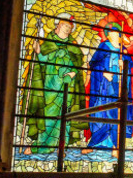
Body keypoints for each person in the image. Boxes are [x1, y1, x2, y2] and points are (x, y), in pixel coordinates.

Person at [23, 13, 87, 154]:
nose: (67, 29)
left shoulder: (73, 47)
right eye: (64, 25)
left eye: (69, 27)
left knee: (66, 116)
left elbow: (78, 64)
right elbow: (42, 61)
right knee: (48, 116)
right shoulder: (49, 43)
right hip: (50, 86)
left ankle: (60, 146)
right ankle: (40, 146)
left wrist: (73, 73)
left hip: (67, 86)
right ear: (57, 25)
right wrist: (38, 51)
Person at [84, 22, 133, 157]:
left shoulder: (123, 51)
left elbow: (130, 68)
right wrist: (103, 73)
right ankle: (94, 144)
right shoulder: (103, 47)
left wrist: (124, 65)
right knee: (104, 113)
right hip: (105, 87)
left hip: (120, 86)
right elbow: (93, 64)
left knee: (116, 114)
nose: (114, 35)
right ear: (108, 35)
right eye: (111, 33)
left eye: (117, 33)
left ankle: (115, 146)